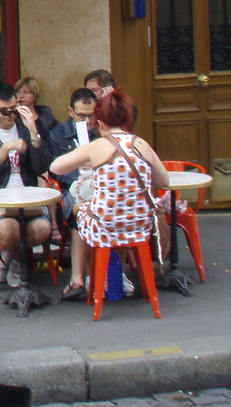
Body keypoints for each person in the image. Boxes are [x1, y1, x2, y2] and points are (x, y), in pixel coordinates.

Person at [49, 89, 169, 302]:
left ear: (100, 123)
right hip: (139, 226)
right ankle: (117, 274)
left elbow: (56, 167)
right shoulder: (142, 145)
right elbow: (163, 182)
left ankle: (84, 277)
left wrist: (86, 159)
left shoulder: (97, 146)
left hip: (105, 226)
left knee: (78, 207)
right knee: (114, 210)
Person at [0, 82, 51, 289]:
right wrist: (5, 149)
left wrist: (34, 133)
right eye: (4, 111)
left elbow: (40, 166)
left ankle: (10, 255)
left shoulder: (25, 127)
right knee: (9, 230)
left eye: (13, 110)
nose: (10, 116)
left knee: (43, 229)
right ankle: (18, 263)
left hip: (27, 196)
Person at [45, 88, 99, 299]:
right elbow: (57, 174)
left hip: (99, 188)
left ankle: (105, 273)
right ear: (71, 112)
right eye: (82, 115)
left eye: (92, 115)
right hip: (70, 190)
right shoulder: (58, 135)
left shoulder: (102, 132)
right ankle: (79, 276)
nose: (87, 121)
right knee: (80, 210)